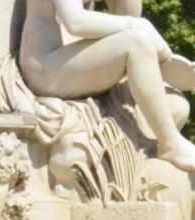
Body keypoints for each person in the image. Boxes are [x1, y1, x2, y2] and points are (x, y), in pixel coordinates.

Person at [19, 0, 195, 173]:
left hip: (74, 57)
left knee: (176, 102)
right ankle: (170, 143)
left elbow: (124, 17)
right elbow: (75, 22)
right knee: (137, 43)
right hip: (45, 67)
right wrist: (140, 24)